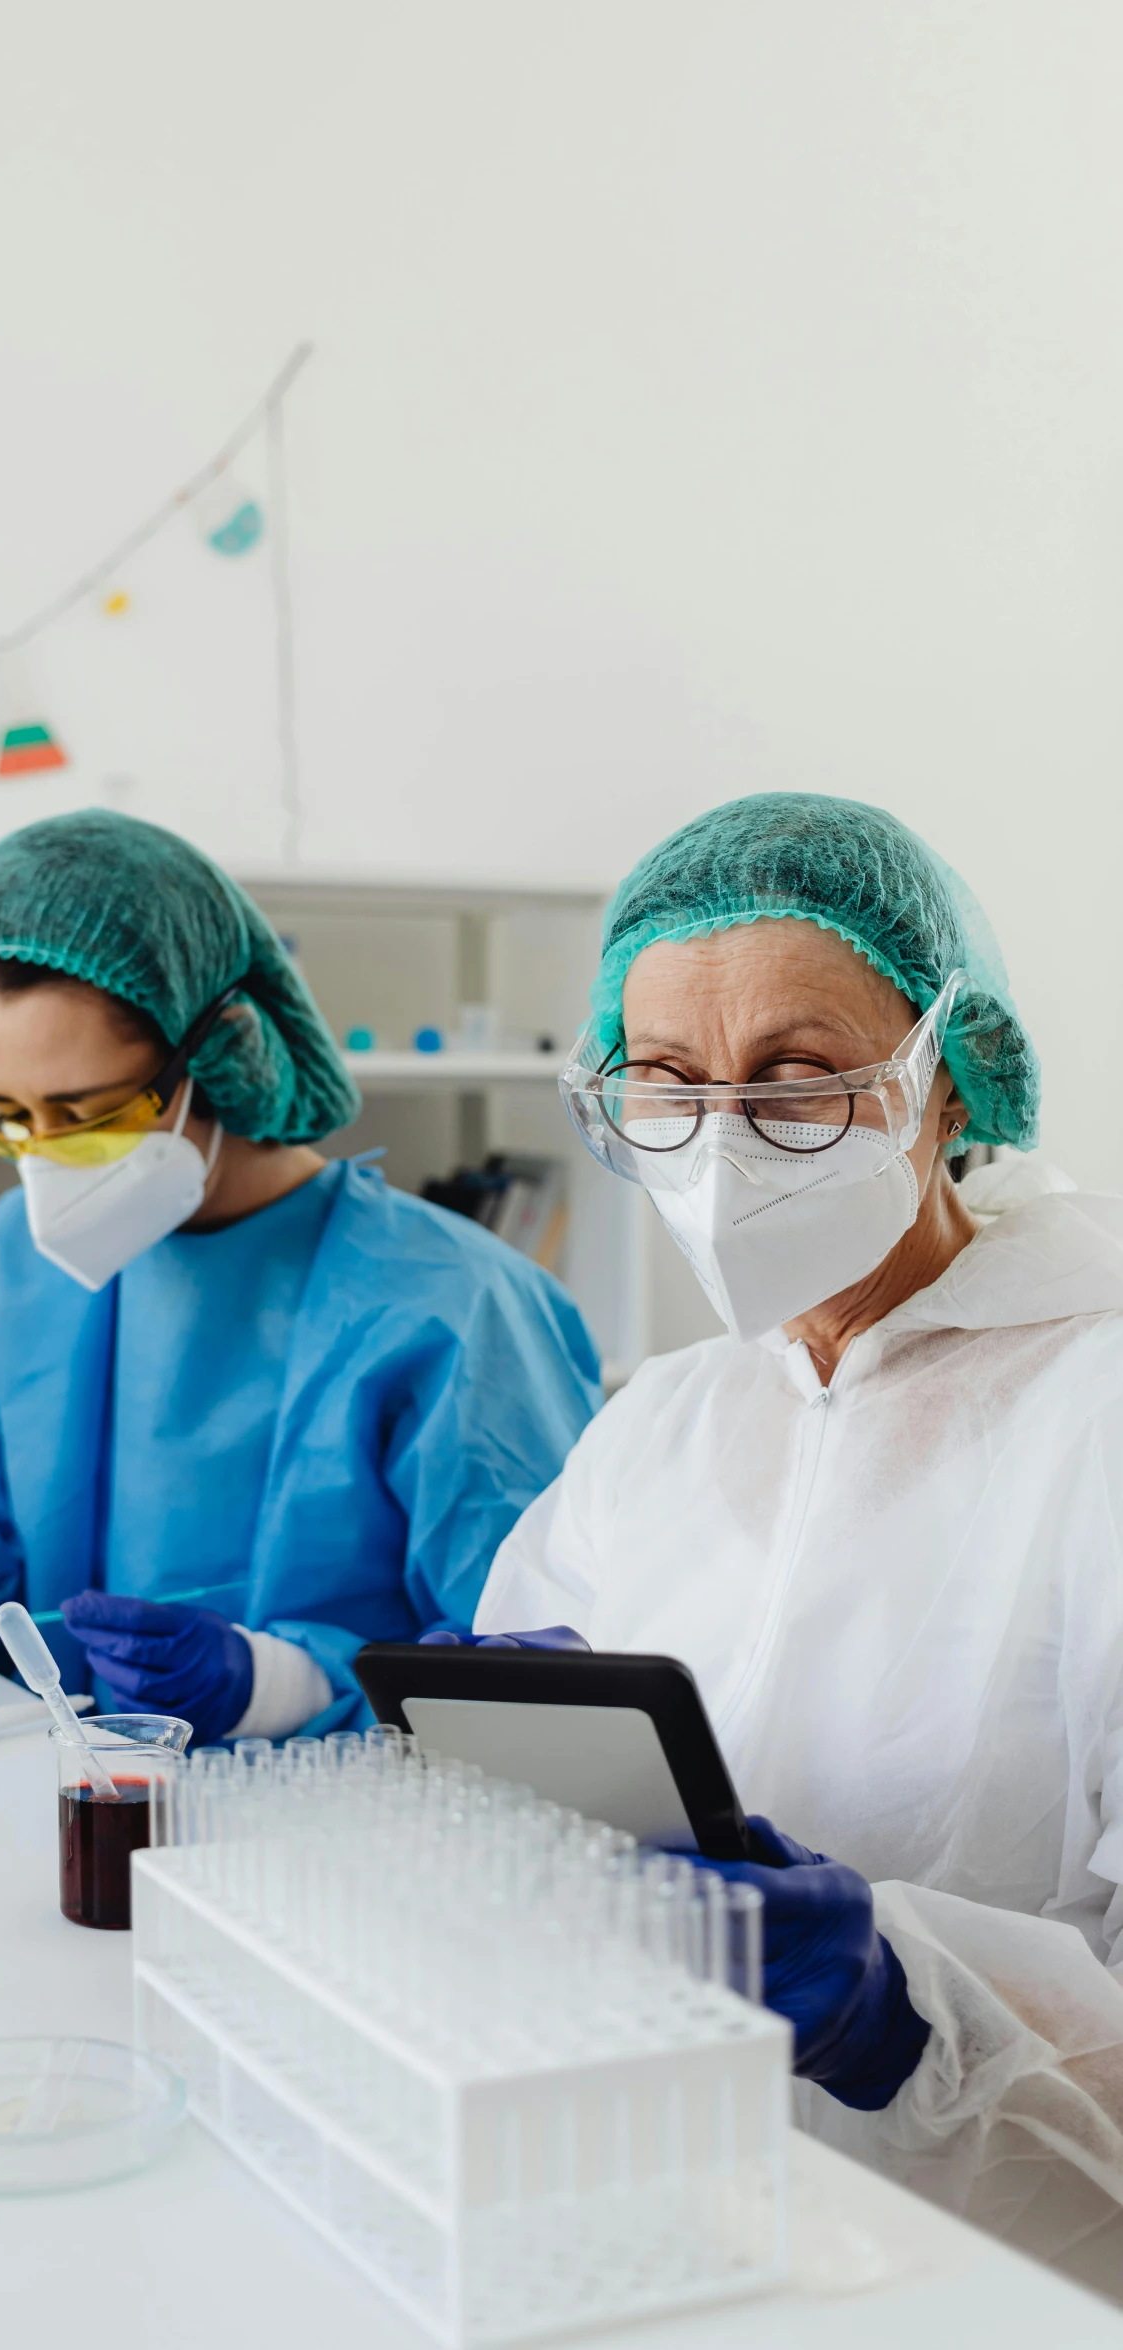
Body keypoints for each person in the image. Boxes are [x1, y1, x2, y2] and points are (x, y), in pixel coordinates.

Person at [463, 792, 1123, 2293]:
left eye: (797, 1080)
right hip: (659, 2216)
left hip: (1001, 2277)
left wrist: (912, 2019)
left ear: (947, 1083)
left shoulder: (1096, 1410)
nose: (720, 1142)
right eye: (665, 1083)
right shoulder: (662, 1421)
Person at [0, 810, 600, 1745]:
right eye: (4, 1114)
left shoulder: (451, 1305)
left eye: (85, 1112)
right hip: (63, 1792)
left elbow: (543, 1661)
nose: (43, 1159)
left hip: (339, 1840)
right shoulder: (13, 1254)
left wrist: (279, 1684)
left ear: (221, 1054)